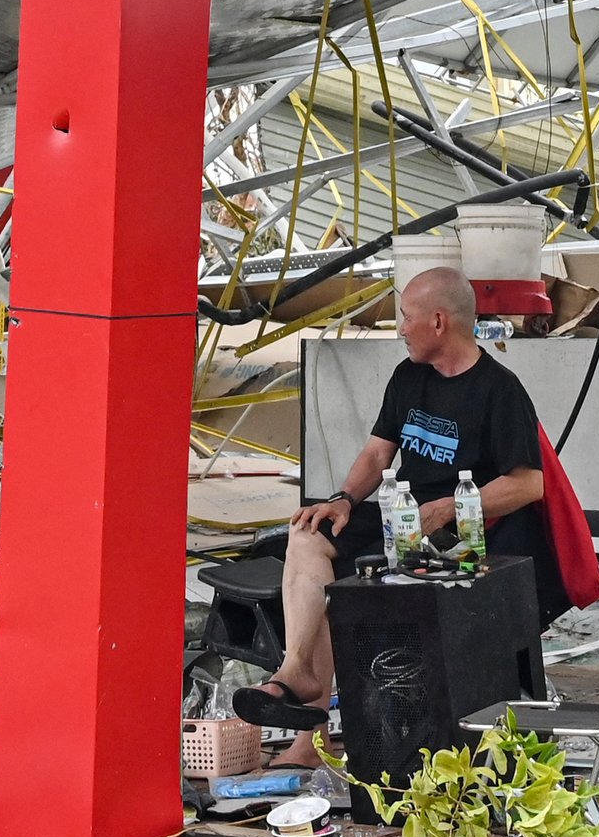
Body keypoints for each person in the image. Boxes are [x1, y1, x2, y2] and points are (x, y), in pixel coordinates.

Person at [235, 266, 564, 730]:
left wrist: (453, 506)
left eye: (406, 317)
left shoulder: (498, 389)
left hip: (460, 538)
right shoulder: (408, 376)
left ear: (438, 322)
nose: (400, 329)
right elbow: (377, 453)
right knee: (307, 533)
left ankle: (310, 742)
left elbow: (529, 484)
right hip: (403, 516)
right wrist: (344, 498)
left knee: (343, 599)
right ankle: (296, 673)